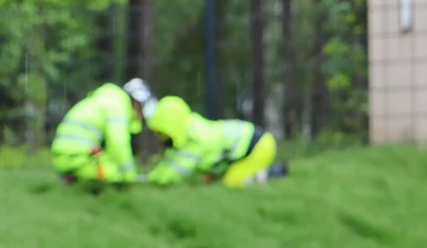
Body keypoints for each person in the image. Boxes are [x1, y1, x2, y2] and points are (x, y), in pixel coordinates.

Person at [146, 96, 279, 187]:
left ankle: (271, 174)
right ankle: (261, 173)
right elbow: (171, 162)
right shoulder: (190, 127)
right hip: (251, 145)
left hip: (258, 146)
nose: (160, 137)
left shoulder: (195, 140)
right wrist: (151, 177)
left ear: (171, 127)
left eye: (161, 133)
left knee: (232, 184)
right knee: (222, 181)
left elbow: (176, 171)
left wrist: (151, 181)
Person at [51, 79, 158, 184]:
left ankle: (72, 177)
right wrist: (129, 176)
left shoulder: (104, 100)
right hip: (78, 160)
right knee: (118, 176)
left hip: (61, 159)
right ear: (137, 103)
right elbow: (118, 143)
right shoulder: (118, 106)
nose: (140, 116)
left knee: (110, 162)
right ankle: (78, 176)